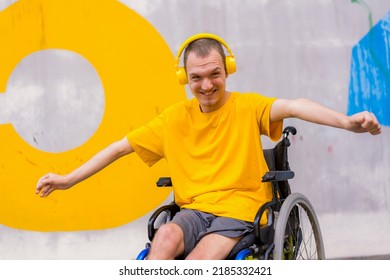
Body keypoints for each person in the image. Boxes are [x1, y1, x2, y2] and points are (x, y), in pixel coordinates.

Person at [36, 33, 381, 260]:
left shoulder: (247, 107)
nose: (206, 85)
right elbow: (117, 148)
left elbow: (294, 105)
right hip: (194, 211)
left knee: (200, 261)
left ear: (227, 70)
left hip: (240, 211)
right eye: (197, 77)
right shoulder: (173, 119)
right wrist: (67, 180)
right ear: (185, 78)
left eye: (214, 74)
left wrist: (347, 123)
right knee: (165, 238)